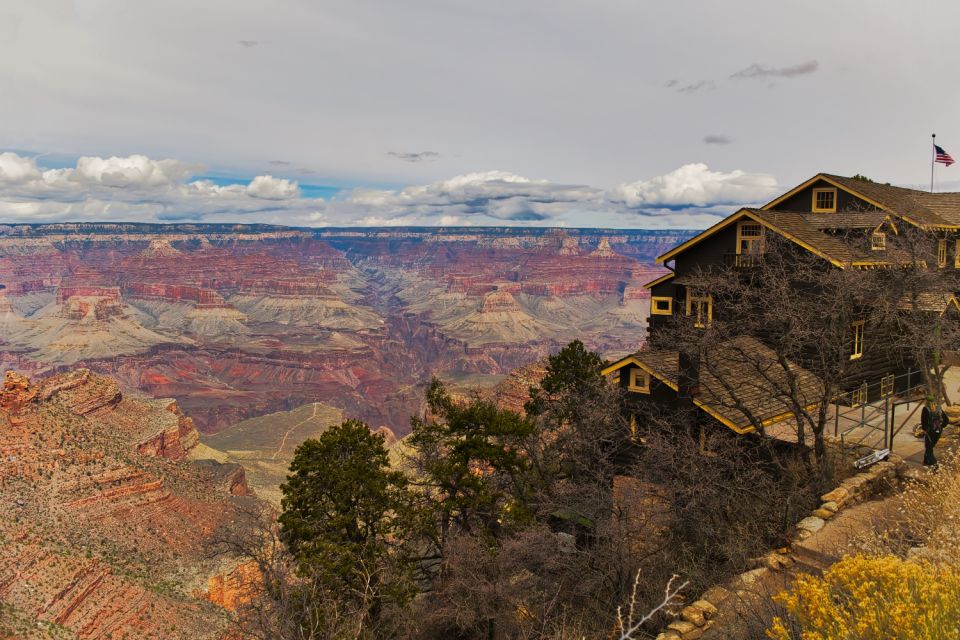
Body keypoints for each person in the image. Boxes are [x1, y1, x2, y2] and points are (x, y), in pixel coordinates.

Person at [920, 395, 946, 466]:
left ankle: (934, 464)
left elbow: (923, 421)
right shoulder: (939, 408)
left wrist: (925, 430)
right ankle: (926, 461)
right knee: (930, 447)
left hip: (930, 432)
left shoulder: (925, 409)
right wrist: (941, 426)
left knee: (929, 449)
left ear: (926, 401)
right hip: (938, 431)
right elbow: (946, 420)